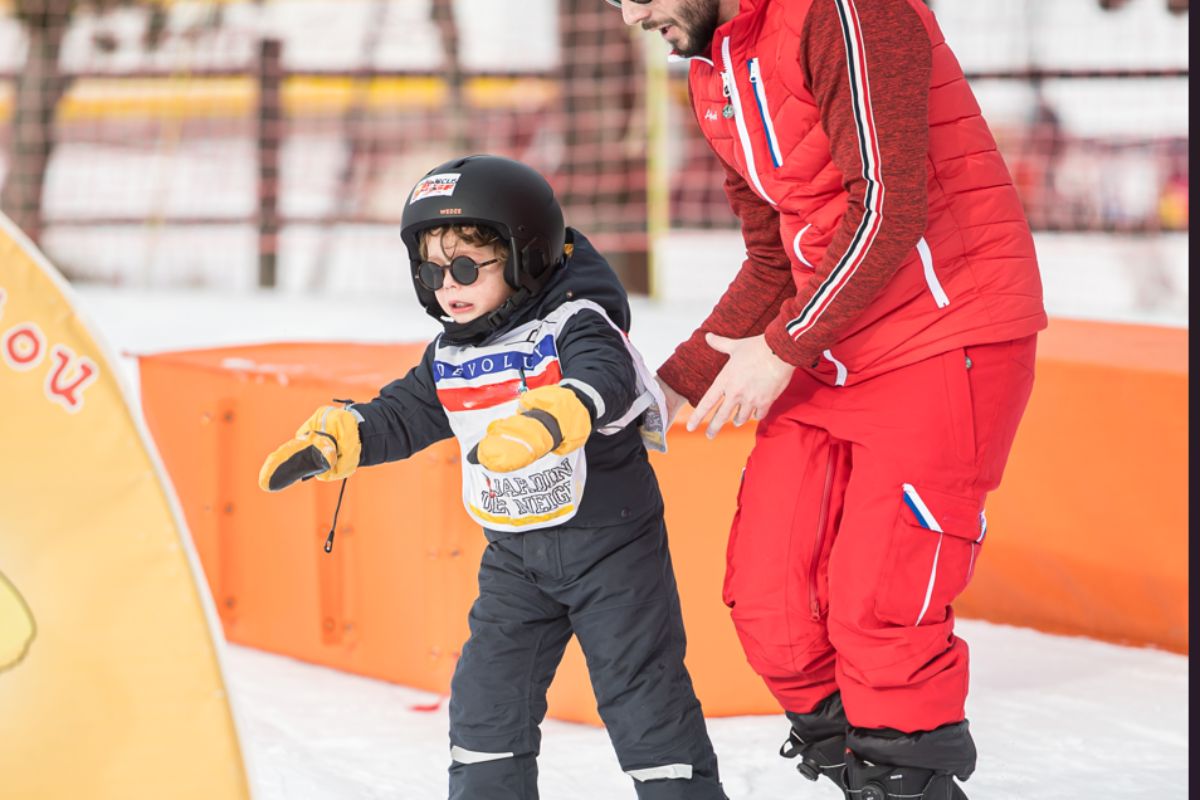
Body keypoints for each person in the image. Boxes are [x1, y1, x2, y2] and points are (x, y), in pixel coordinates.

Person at [613, 1, 1047, 798]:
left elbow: (888, 205)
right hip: (827, 340)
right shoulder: (714, 67)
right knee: (770, 607)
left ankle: (903, 781)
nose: (632, 14)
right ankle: (861, 771)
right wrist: (674, 383)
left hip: (943, 330)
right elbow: (771, 259)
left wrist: (783, 348)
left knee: (879, 609)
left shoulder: (845, 10)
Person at [257, 155, 728, 800]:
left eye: (465, 266)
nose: (447, 285)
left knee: (644, 701)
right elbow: (409, 411)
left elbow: (606, 375)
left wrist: (556, 415)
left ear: (524, 255)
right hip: (515, 561)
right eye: (431, 270)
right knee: (485, 702)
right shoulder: (453, 351)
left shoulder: (573, 322)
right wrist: (345, 437)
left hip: (612, 554)